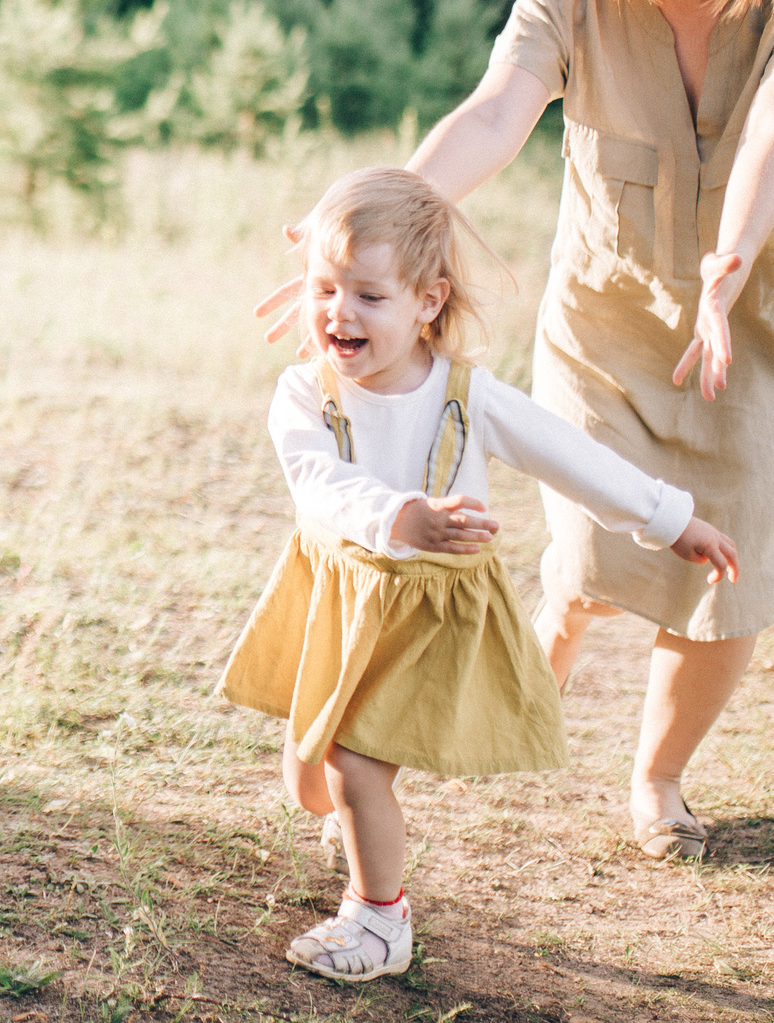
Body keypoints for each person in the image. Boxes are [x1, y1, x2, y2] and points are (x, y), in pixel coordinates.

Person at [264, 0, 774, 863]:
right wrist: (367, 223)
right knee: (588, 553)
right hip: (606, 318)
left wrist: (726, 270)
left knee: (721, 574)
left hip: (752, 328)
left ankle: (657, 778)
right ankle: (553, 633)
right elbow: (496, 113)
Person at [221, 166, 739, 984]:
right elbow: (315, 481)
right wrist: (400, 514)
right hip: (338, 595)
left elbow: (571, 457)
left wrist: (671, 519)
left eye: (369, 295)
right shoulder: (303, 392)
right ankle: (357, 823)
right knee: (312, 781)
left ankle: (379, 921)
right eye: (324, 288)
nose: (338, 313)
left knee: (355, 764)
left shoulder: (467, 396)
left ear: (427, 301)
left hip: (429, 614)